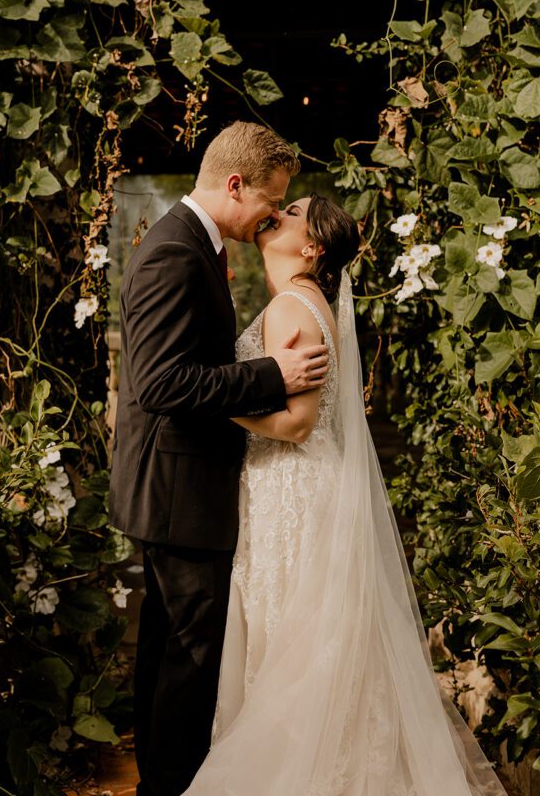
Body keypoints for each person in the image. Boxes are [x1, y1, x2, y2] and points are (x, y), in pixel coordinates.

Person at [184, 193, 510, 796]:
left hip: (293, 491)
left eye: (293, 213)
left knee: (294, 652)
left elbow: (296, 423)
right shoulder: (310, 302)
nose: (276, 212)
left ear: (311, 248)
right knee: (312, 653)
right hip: (299, 486)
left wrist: (213, 406)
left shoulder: (291, 308)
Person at [108, 122, 331, 796]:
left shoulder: (190, 245)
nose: (272, 215)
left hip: (178, 486)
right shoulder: (175, 253)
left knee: (170, 654)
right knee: (188, 660)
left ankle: (160, 783)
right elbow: (162, 383)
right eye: (272, 200)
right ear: (235, 184)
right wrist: (273, 373)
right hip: (179, 491)